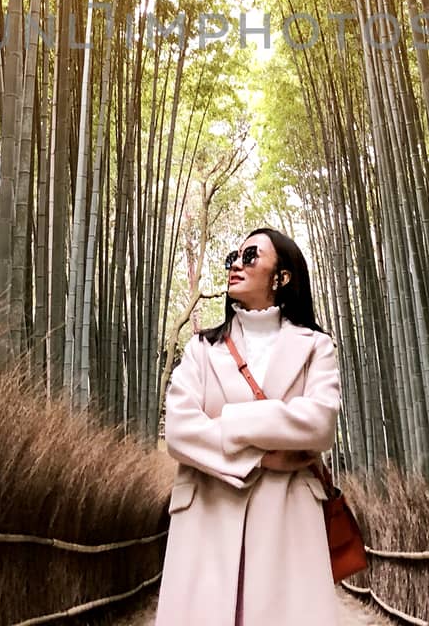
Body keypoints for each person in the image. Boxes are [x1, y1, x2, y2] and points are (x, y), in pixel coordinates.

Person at [154, 228, 341, 625]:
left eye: (251, 255)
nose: (236, 264)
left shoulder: (315, 346)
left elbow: (319, 423)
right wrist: (262, 458)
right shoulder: (201, 349)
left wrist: (229, 421)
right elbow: (180, 430)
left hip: (287, 518)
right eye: (232, 257)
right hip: (207, 516)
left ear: (282, 276)